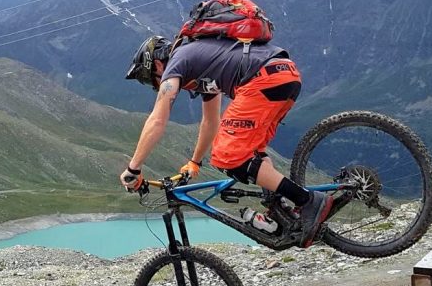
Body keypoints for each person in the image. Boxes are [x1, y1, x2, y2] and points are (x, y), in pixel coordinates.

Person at [119, 33, 334, 247]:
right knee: (253, 151)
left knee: (226, 157)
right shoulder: (200, 66)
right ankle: (281, 210)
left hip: (262, 79)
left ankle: (307, 201)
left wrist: (133, 169)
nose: (157, 86)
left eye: (152, 80)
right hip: (285, 74)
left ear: (158, 64)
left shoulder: (178, 60)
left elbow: (158, 119)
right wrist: (195, 162)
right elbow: (210, 121)